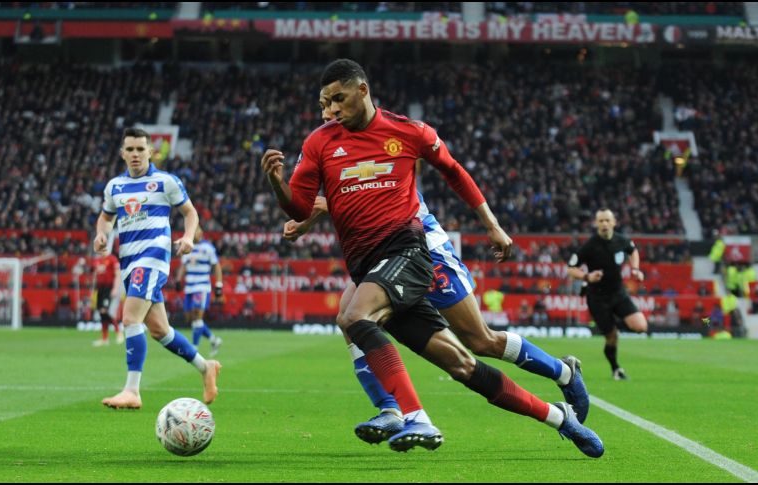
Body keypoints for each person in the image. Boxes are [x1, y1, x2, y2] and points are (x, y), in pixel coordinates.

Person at [262, 59, 602, 457]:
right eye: (324, 104)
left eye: (337, 100)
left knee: (473, 338)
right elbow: (335, 195)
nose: (330, 111)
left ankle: (554, 373)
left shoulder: (406, 133)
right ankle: (558, 416)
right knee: (456, 362)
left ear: (362, 90)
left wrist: (491, 224)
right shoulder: (321, 142)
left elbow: (450, 171)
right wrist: (283, 191)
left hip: (415, 249)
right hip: (371, 261)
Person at [94, 127, 221, 409]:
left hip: (152, 259)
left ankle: (132, 390)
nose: (136, 154)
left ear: (150, 151)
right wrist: (102, 235)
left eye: (141, 149)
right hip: (128, 262)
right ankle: (206, 366)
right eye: (131, 149)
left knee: (129, 319)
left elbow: (190, 212)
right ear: (122, 153)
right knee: (160, 330)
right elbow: (105, 218)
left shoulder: (166, 182)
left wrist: (188, 237)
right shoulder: (114, 187)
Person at [567, 209, 648, 381]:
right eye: (601, 221)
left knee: (641, 326)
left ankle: (616, 324)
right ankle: (616, 368)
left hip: (618, 293)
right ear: (596, 224)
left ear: (614, 222)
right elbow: (571, 268)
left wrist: (635, 269)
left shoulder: (621, 240)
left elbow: (633, 250)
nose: (604, 224)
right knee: (611, 337)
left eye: (607, 220)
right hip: (597, 298)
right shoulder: (589, 246)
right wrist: (587, 276)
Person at [175, 225, 224, 356]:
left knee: (197, 315)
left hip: (201, 287)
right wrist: (179, 279)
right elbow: (184, 265)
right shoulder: (188, 246)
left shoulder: (207, 247)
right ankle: (214, 340)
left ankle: (194, 347)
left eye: (195, 230)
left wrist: (219, 285)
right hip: (189, 287)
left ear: (200, 233)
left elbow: (217, 266)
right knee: (189, 317)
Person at [90, 252, 123, 346]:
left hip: (108, 288)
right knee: (101, 312)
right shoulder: (97, 260)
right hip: (99, 288)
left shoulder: (112, 259)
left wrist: (115, 288)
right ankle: (105, 339)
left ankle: (118, 332)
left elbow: (117, 274)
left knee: (105, 311)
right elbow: (95, 273)